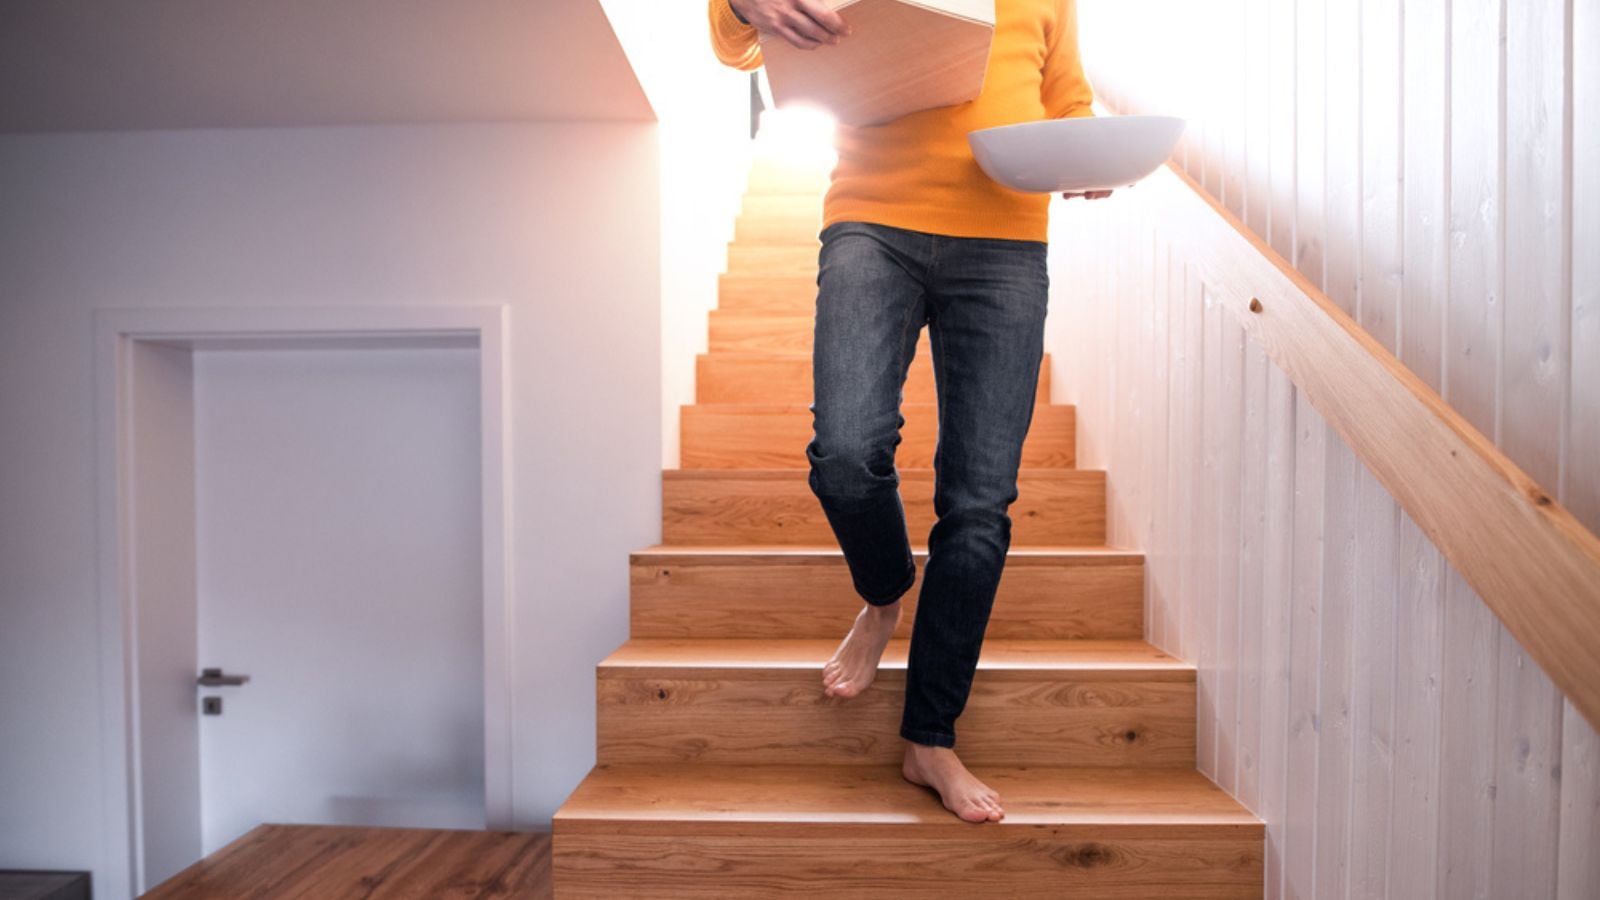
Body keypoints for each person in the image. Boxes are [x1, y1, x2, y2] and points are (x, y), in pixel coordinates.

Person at [708, 0, 1111, 824]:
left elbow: (1067, 100)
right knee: (846, 454)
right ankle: (886, 595)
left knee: (978, 507)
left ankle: (930, 738)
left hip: (1005, 246)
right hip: (872, 220)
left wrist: (1089, 152)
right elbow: (738, 43)